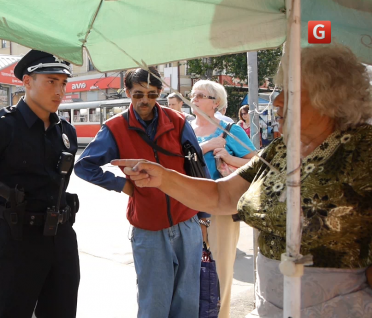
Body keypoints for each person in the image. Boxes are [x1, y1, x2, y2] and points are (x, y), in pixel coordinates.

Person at [112, 44, 372, 317]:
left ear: (330, 98)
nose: (277, 101)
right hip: (271, 306)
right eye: (279, 91)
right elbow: (222, 196)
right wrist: (162, 177)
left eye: (291, 92)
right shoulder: (280, 149)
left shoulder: (364, 149)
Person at [75, 67, 208, 318]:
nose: (145, 100)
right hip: (148, 228)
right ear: (127, 93)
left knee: (188, 302)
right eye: (138, 95)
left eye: (152, 94)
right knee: (153, 305)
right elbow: (84, 166)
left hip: (187, 221)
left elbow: (198, 168)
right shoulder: (114, 127)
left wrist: (204, 217)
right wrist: (123, 185)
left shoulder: (178, 121)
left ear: (159, 93)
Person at [0, 50, 79, 318]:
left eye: (63, 83)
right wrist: (3, 221)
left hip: (61, 240)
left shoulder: (66, 131)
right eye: (51, 81)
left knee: (62, 311)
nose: (59, 90)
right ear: (27, 81)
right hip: (17, 240)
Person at [190, 80, 256, 318]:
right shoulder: (185, 129)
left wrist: (228, 156)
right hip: (187, 207)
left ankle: (221, 314)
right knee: (191, 270)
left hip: (220, 208)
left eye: (201, 95)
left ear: (216, 102)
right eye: (193, 94)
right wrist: (206, 147)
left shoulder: (230, 130)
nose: (194, 98)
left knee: (219, 268)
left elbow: (256, 162)